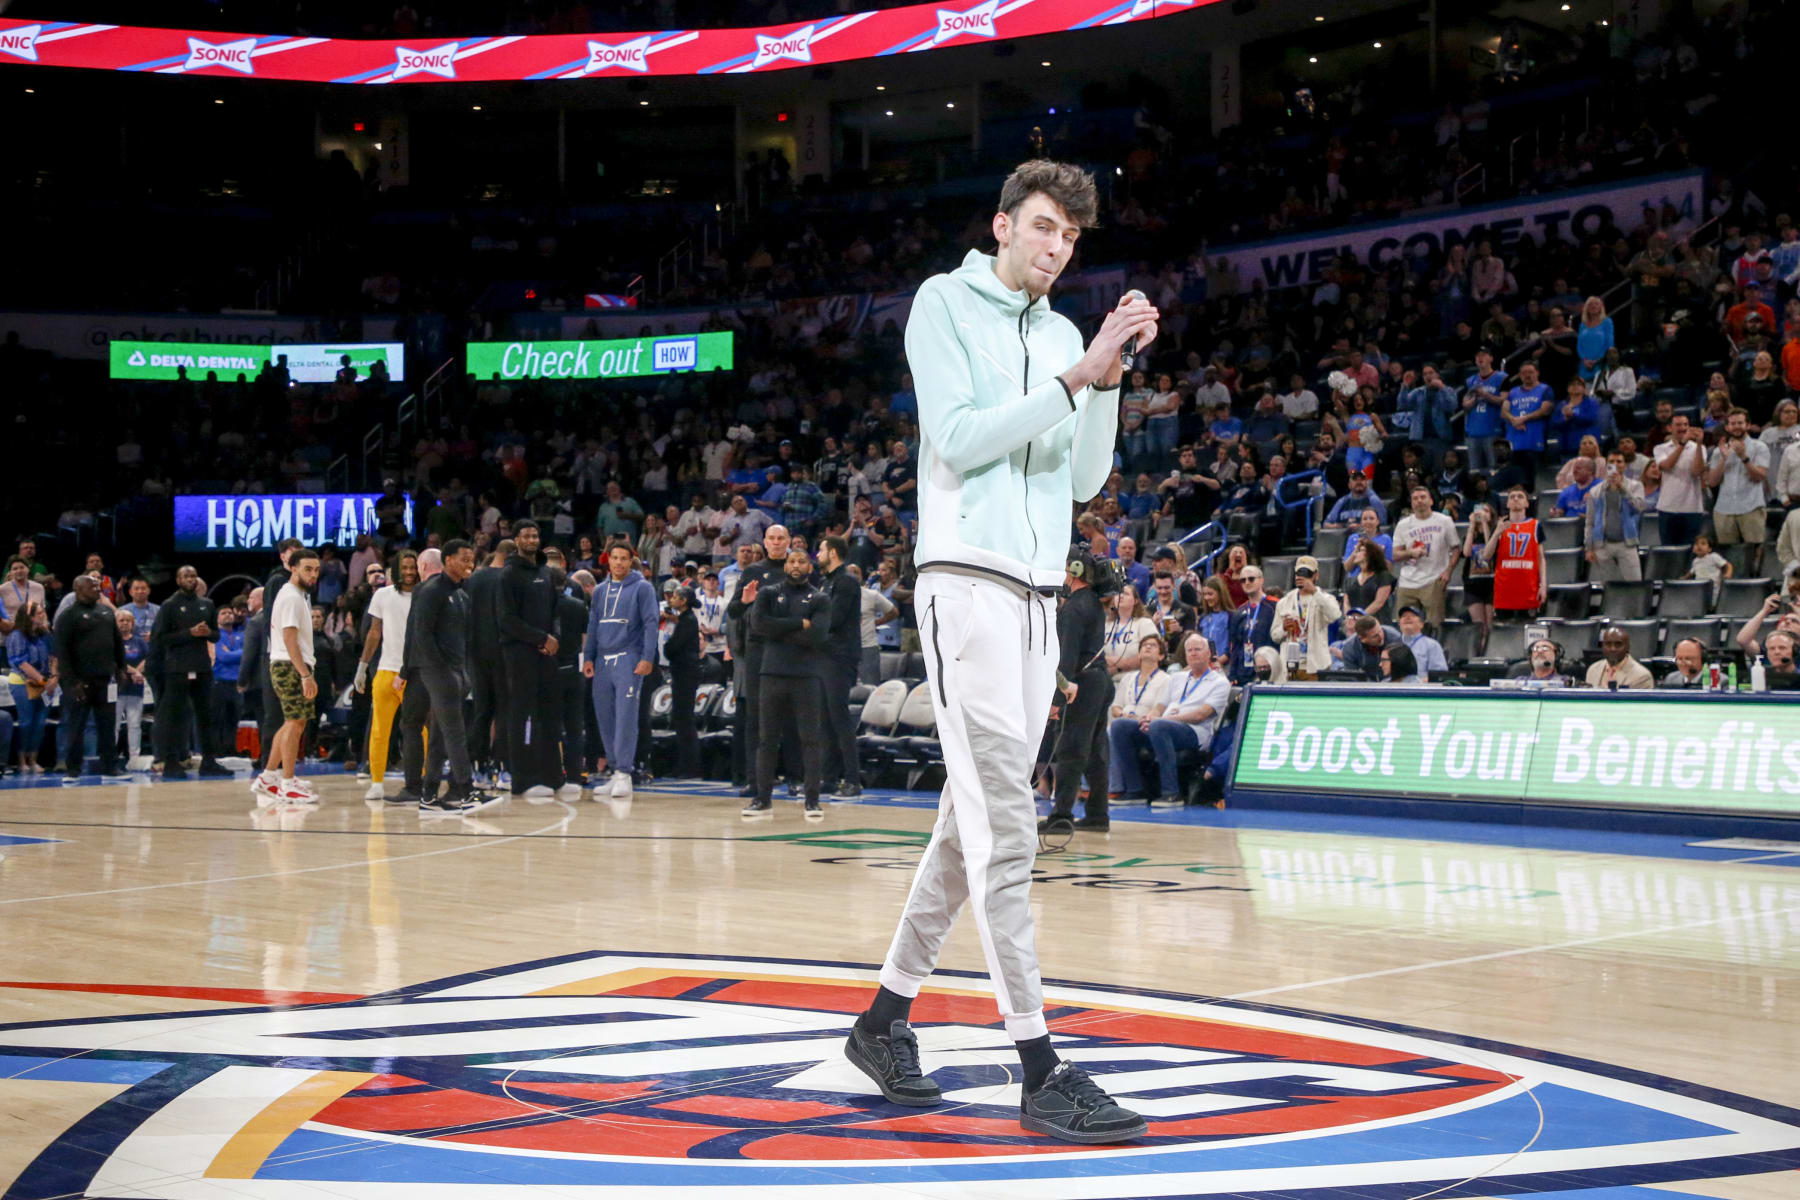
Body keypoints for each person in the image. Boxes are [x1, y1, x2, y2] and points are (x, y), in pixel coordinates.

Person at [850, 160, 1155, 1145]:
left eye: (1070, 236)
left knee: (966, 825)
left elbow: (1084, 478)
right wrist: (1076, 374)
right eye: (1041, 228)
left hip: (1036, 598)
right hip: (965, 587)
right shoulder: (943, 304)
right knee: (1008, 829)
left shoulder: (1066, 333)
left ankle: (883, 1021)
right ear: (1002, 226)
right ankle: (1039, 1066)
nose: (1056, 246)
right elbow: (964, 439)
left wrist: (1106, 375)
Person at [401, 539, 491, 814]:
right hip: (438, 672)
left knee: (441, 734)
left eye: (472, 559)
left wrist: (463, 672)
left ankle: (429, 796)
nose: (470, 564)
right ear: (448, 560)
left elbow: (464, 638)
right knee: (455, 732)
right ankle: (467, 793)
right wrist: (441, 671)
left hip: (457, 672)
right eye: (464, 558)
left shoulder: (462, 594)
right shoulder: (430, 591)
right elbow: (421, 636)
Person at [743, 547, 831, 818]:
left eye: (801, 561)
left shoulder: (820, 598)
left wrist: (779, 630)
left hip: (806, 676)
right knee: (767, 739)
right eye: (792, 560)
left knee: (810, 739)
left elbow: (817, 635)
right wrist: (798, 623)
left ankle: (812, 800)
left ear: (809, 566)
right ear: (785, 565)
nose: (795, 565)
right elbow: (758, 626)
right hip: (771, 674)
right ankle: (762, 799)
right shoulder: (769, 593)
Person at [1106, 632, 1228, 805]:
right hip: (1163, 726)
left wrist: (1167, 720)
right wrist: (1148, 719)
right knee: (1120, 726)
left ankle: (1171, 793)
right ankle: (1135, 790)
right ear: (1185, 655)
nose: (1193, 653)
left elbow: (1201, 714)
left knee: (1160, 726)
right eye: (1190, 650)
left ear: (1208, 653)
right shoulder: (1177, 678)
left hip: (1194, 732)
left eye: (1198, 649)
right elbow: (1159, 708)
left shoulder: (1219, 682)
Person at [1043, 547, 1112, 832]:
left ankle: (1061, 816)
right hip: (1101, 681)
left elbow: (1066, 657)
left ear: (1074, 570)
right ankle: (1097, 814)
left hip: (1081, 683)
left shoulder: (1073, 607)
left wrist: (1057, 698)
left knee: (1071, 748)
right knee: (1095, 750)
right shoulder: (1092, 601)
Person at [582, 542, 659, 798]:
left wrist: (648, 657)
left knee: (626, 717)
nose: (618, 563)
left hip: (629, 657)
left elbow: (651, 623)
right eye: (614, 558)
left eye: (623, 558)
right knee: (605, 716)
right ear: (608, 560)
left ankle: (625, 773)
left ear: (631, 560)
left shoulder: (643, 588)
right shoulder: (600, 591)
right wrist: (589, 657)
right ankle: (615, 770)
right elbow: (593, 625)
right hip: (603, 660)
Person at [497, 521, 561, 800]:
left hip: (546, 653)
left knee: (549, 714)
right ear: (516, 540)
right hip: (519, 653)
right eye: (526, 536)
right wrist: (540, 638)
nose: (532, 539)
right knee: (523, 716)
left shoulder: (546, 573)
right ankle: (523, 779)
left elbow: (554, 611)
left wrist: (553, 637)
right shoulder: (508, 574)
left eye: (535, 535)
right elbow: (506, 620)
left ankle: (552, 776)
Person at [726, 524, 792, 793]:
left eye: (781, 538)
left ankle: (796, 779)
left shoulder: (797, 569)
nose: (776, 543)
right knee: (755, 718)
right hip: (758, 653)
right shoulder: (752, 571)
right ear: (764, 542)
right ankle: (755, 780)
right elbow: (732, 611)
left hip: (789, 651)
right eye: (772, 538)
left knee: (791, 718)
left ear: (788, 541)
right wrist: (744, 601)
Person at [147, 564, 229, 779]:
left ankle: (209, 761)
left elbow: (216, 636)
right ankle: (172, 761)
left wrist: (207, 632)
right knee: (174, 716)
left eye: (193, 575)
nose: (190, 579)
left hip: (202, 667)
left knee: (206, 715)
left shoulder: (207, 604)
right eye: (186, 576)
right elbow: (160, 638)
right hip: (176, 668)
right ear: (178, 580)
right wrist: (189, 633)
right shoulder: (169, 605)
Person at [253, 548, 321, 806]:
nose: (313, 574)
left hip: (287, 665)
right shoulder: (292, 596)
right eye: (307, 569)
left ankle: (269, 776)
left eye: (316, 570)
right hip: (291, 666)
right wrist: (305, 674)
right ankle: (288, 784)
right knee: (295, 724)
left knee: (293, 722)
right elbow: (289, 637)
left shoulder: (298, 595)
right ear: (292, 568)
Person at [354, 549, 418, 800]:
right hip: (385, 669)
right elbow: (374, 632)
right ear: (396, 569)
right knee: (380, 729)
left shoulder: (424, 595)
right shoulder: (381, 595)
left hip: (414, 672)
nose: (410, 572)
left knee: (419, 731)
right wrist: (362, 666)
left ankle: (417, 780)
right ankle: (377, 782)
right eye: (406, 567)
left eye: (414, 567)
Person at [52, 575, 127, 781]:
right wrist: (71, 681)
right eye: (92, 586)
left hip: (104, 679)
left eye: (97, 586)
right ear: (78, 589)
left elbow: (117, 642)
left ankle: (109, 767)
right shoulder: (68, 615)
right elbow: (62, 652)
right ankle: (73, 769)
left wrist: (121, 668)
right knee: (76, 726)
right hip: (79, 681)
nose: (97, 589)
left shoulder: (106, 612)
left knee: (107, 725)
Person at [816, 536, 864, 798]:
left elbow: (833, 619)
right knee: (824, 718)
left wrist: (808, 623)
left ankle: (853, 780)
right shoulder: (827, 582)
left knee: (839, 717)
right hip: (824, 656)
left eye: (821, 550)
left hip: (840, 656)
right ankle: (829, 778)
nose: (817, 555)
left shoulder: (846, 581)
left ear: (833, 553)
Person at [464, 539, 513, 787]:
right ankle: (504, 769)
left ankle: (478, 769)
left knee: (482, 712)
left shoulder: (473, 580)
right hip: (505, 653)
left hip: (476, 654)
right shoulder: (510, 578)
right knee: (504, 711)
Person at [1705, 407, 1771, 576]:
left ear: (1747, 425)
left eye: (1740, 423)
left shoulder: (1759, 447)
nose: (1736, 427)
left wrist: (1744, 457)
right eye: (1733, 424)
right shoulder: (1720, 451)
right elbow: (1712, 481)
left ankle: (1755, 588)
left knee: (1755, 553)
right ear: (1727, 427)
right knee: (1728, 557)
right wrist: (1724, 459)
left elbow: (1760, 476)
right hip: (1724, 509)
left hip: (1751, 506)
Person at [1105, 633, 1168, 797]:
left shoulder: (1165, 679)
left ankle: (1116, 788)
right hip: (1124, 721)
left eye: (1153, 645)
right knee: (1098, 731)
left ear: (1161, 655)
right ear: (1139, 654)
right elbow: (1116, 707)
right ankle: (1088, 787)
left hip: (1146, 724)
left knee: (1113, 730)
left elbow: (1159, 709)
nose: (1147, 647)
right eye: (1144, 645)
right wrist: (1124, 715)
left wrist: (1139, 719)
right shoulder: (1128, 678)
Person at [547, 565, 591, 796]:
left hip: (551, 670)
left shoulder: (544, 608)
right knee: (575, 726)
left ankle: (553, 774)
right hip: (574, 669)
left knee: (551, 725)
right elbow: (585, 640)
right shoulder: (578, 606)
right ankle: (575, 773)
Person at [1391, 486, 1457, 629]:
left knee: (1435, 625)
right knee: (1405, 626)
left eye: (1423, 497)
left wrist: (1448, 571)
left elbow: (1456, 548)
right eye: (1415, 498)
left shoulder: (1444, 521)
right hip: (1407, 582)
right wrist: (1410, 553)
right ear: (1411, 503)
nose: (1419, 501)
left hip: (1433, 580)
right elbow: (1395, 555)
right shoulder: (1403, 525)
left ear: (1431, 501)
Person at [1271, 556, 1341, 677]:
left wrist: (1314, 592)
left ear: (1316, 576)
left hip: (1316, 666)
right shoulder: (1284, 602)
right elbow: (1274, 636)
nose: (1300, 577)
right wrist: (1283, 628)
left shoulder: (1327, 599)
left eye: (1306, 573)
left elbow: (1335, 615)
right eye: (1298, 573)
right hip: (1289, 667)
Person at [1486, 486, 1546, 620]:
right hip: (1504, 591)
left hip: (1529, 589)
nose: (1516, 499)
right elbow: (1486, 555)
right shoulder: (1500, 526)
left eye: (1520, 496)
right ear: (1507, 503)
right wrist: (1496, 533)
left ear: (1527, 503)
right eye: (1512, 497)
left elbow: (1541, 558)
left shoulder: (1536, 525)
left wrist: (1543, 585)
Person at [7, 602, 53, 771]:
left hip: (45, 684)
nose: (43, 615)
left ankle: (33, 759)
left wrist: (53, 677)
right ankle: (21, 760)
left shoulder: (45, 635)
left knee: (40, 723)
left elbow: (54, 656)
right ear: (30, 617)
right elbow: (21, 662)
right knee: (26, 721)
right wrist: (41, 680)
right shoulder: (17, 635)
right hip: (23, 682)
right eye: (39, 613)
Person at [1585, 454, 1646, 582]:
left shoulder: (1636, 486)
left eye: (1619, 461)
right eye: (1612, 461)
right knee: (1607, 587)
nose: (1616, 464)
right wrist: (1589, 548)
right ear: (1607, 465)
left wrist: (1622, 489)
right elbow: (1589, 522)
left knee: (1635, 584)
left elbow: (1639, 508)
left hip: (1627, 543)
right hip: (1602, 544)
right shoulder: (1595, 491)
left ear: (1625, 465)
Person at [1653, 413, 1708, 549]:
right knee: (1669, 552)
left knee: (1690, 552)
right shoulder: (1660, 448)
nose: (1683, 428)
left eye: (1685, 425)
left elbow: (1697, 472)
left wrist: (1699, 443)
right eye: (1678, 425)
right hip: (1668, 508)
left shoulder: (1699, 448)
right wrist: (1683, 443)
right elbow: (1666, 466)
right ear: (1669, 428)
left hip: (1692, 508)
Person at [663, 584, 701, 778]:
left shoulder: (687, 621)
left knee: (684, 718)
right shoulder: (685, 619)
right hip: (682, 673)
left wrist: (667, 647)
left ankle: (690, 766)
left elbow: (671, 648)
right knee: (681, 718)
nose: (671, 600)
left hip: (685, 674)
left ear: (683, 601)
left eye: (675, 597)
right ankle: (686, 764)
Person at [1225, 563, 1277, 683]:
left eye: (1251, 579)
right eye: (1243, 580)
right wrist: (1232, 675)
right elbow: (1235, 646)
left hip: (1267, 670)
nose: (1247, 582)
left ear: (1261, 580)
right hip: (1244, 671)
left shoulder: (1275, 606)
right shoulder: (1239, 611)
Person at [1503, 361, 1554, 483]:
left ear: (1537, 373)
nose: (1527, 375)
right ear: (1520, 375)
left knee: (1532, 480)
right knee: (1514, 479)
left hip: (1534, 441)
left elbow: (1545, 410)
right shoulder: (1513, 392)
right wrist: (1513, 420)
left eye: (1530, 372)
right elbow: (1503, 411)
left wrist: (1524, 418)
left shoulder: (1545, 389)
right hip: (1513, 441)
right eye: (1524, 373)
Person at [1462, 348, 1508, 472]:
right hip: (1473, 432)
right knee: (1475, 472)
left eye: (1483, 355)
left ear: (1491, 358)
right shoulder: (1470, 380)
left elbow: (1503, 401)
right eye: (1477, 356)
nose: (1480, 358)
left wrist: (1485, 395)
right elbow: (1465, 405)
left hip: (1493, 432)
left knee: (1494, 470)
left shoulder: (1502, 378)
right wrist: (1474, 398)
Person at [211, 603, 245, 757]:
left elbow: (248, 653)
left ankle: (231, 748)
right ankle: (217, 751)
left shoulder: (241, 634)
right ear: (217, 618)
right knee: (219, 718)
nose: (228, 615)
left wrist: (234, 653)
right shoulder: (216, 636)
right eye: (223, 613)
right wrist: (240, 653)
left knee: (234, 719)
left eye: (230, 612)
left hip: (237, 683)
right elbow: (223, 657)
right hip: (220, 682)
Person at [114, 609, 147, 764]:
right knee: (114, 723)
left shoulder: (139, 641)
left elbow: (147, 658)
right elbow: (115, 660)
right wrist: (134, 672)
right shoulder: (112, 640)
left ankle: (134, 756)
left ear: (132, 624)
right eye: (121, 620)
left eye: (128, 620)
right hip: (117, 687)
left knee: (135, 724)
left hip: (135, 687)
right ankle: (111, 756)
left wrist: (137, 673)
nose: (125, 623)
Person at [1342, 538, 1395, 622]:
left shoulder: (1383, 577)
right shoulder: (1350, 580)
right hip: (1355, 624)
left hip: (1377, 622)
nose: (1355, 554)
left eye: (1360, 550)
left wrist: (1360, 617)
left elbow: (1378, 603)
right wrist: (1350, 618)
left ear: (1370, 554)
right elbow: (1346, 603)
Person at [1585, 626, 1654, 689]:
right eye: (1608, 644)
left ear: (1628, 647)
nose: (1613, 649)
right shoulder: (1592, 670)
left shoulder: (1642, 676)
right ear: (1602, 647)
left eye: (1618, 644)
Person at [1340, 613, 1402, 680]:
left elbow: (1402, 670)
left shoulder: (1395, 638)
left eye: (1381, 631)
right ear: (1363, 639)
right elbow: (1352, 678)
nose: (1381, 637)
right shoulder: (1350, 648)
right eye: (1375, 636)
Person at [1395, 605, 1448, 675]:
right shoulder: (1393, 644)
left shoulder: (1432, 645)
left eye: (1413, 616)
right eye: (1404, 616)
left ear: (1421, 624)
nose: (1407, 618)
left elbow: (1439, 674)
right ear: (1399, 624)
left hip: (1421, 685)